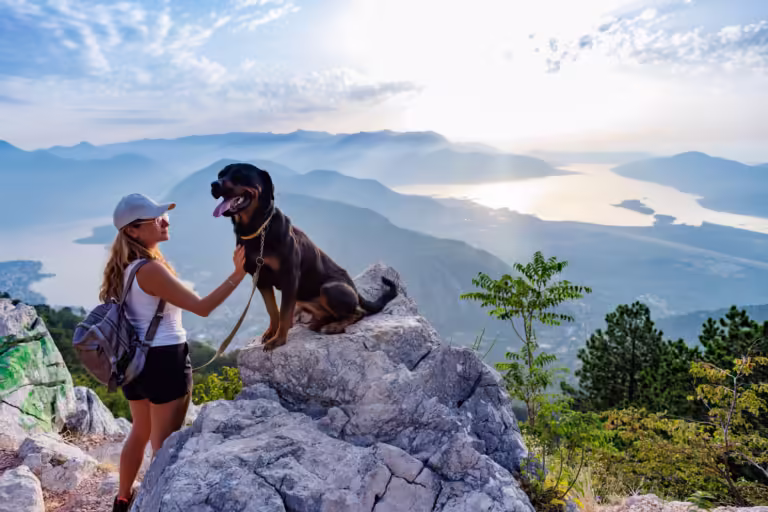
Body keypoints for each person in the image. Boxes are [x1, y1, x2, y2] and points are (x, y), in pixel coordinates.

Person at [102, 193, 247, 512]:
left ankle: (123, 499)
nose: (164, 220)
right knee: (164, 448)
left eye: (163, 215)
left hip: (133, 362)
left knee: (139, 432)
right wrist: (237, 274)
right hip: (165, 363)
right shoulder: (151, 270)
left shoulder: (123, 268)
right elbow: (203, 307)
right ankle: (154, 503)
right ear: (133, 231)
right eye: (154, 218)